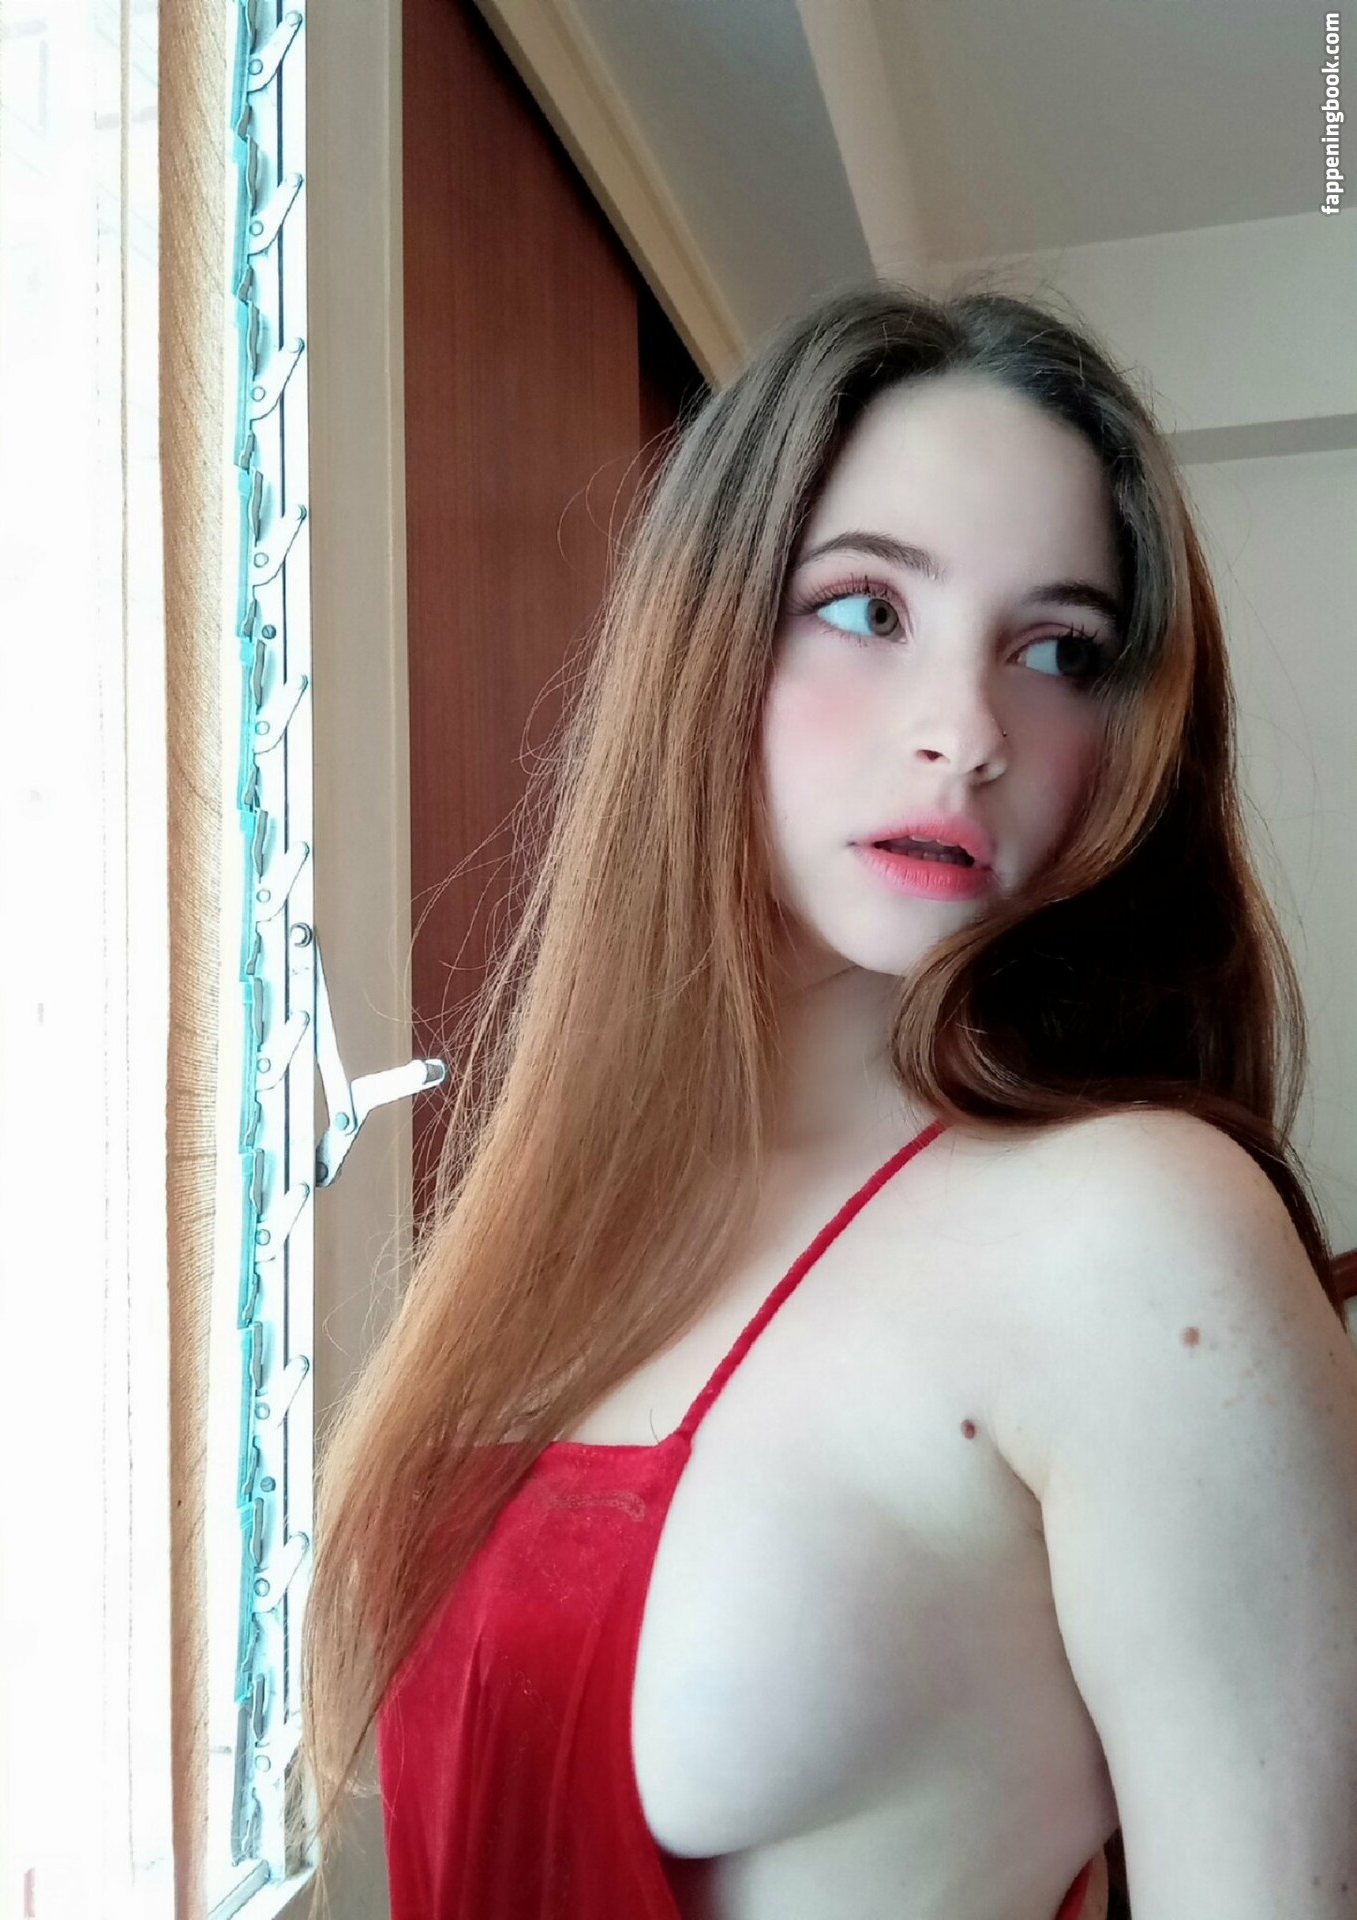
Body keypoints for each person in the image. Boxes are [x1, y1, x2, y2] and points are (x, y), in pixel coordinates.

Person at [296, 281, 1357, 1920]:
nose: (966, 735)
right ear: (706, 638)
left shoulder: (1132, 1234)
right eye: (868, 609)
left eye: (1059, 651)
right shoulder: (573, 1228)